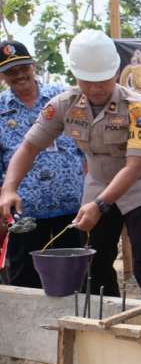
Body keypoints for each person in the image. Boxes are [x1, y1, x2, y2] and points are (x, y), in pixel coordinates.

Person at [0, 29, 141, 300]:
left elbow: (135, 165)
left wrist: (101, 205)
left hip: (140, 185)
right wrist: (9, 188)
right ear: (76, 77)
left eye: (103, 81)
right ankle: (104, 321)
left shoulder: (140, 107)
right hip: (97, 183)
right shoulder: (64, 105)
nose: (95, 89)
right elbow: (29, 147)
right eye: (87, 81)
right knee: (95, 262)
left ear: (115, 73)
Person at [0, 40, 84, 287]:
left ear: (33, 66)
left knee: (72, 279)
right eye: (10, 72)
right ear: (2, 76)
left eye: (23, 68)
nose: (19, 75)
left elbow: (86, 147)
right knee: (25, 281)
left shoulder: (63, 98)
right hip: (24, 214)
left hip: (70, 208)